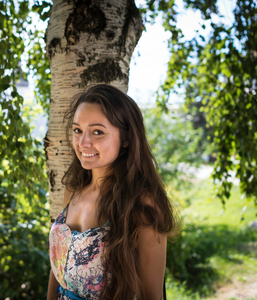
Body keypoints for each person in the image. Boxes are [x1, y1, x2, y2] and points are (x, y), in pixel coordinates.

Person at [47, 84, 177, 300]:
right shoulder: (73, 190)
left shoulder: (141, 205)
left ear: (126, 138)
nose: (83, 143)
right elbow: (57, 269)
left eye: (97, 132)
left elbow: (152, 295)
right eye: (78, 130)